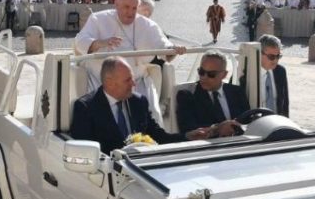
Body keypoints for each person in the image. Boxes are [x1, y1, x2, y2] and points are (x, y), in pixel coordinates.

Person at [70, 57, 207, 154]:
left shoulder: (138, 101)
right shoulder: (86, 108)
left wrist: (187, 137)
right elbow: (86, 154)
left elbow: (158, 136)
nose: (134, 84)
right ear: (110, 82)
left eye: (133, 79)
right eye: (128, 80)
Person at [175, 51, 248, 137]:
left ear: (224, 74)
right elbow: (188, 129)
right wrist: (217, 129)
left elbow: (247, 120)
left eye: (211, 74)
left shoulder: (236, 92)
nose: (204, 77)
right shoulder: (187, 96)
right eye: (201, 72)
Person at [254, 34, 289, 117]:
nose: (276, 60)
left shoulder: (280, 71)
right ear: (259, 53)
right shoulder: (246, 72)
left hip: (276, 123)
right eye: (271, 57)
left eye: (278, 56)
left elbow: (285, 102)